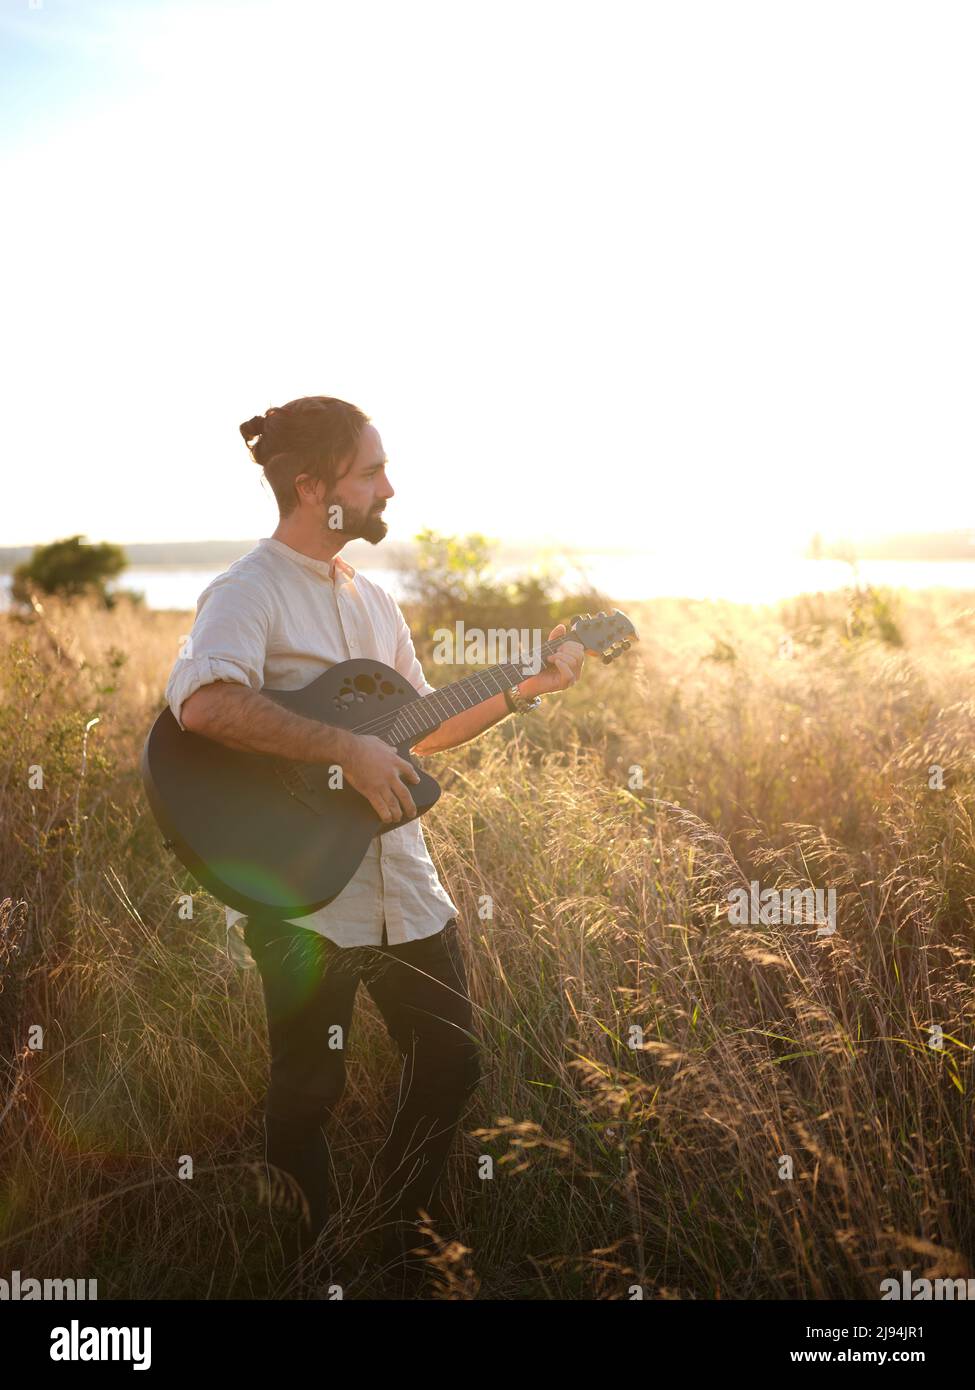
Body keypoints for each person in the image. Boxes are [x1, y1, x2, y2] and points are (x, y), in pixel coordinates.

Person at [163, 395, 584, 1289]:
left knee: (451, 1062)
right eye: (371, 472)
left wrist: (528, 686)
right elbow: (203, 703)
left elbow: (419, 727)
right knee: (309, 1096)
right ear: (315, 488)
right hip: (303, 892)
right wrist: (342, 746)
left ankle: (386, 1230)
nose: (389, 487)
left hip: (405, 884)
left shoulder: (375, 599)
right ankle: (316, 1254)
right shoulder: (246, 592)